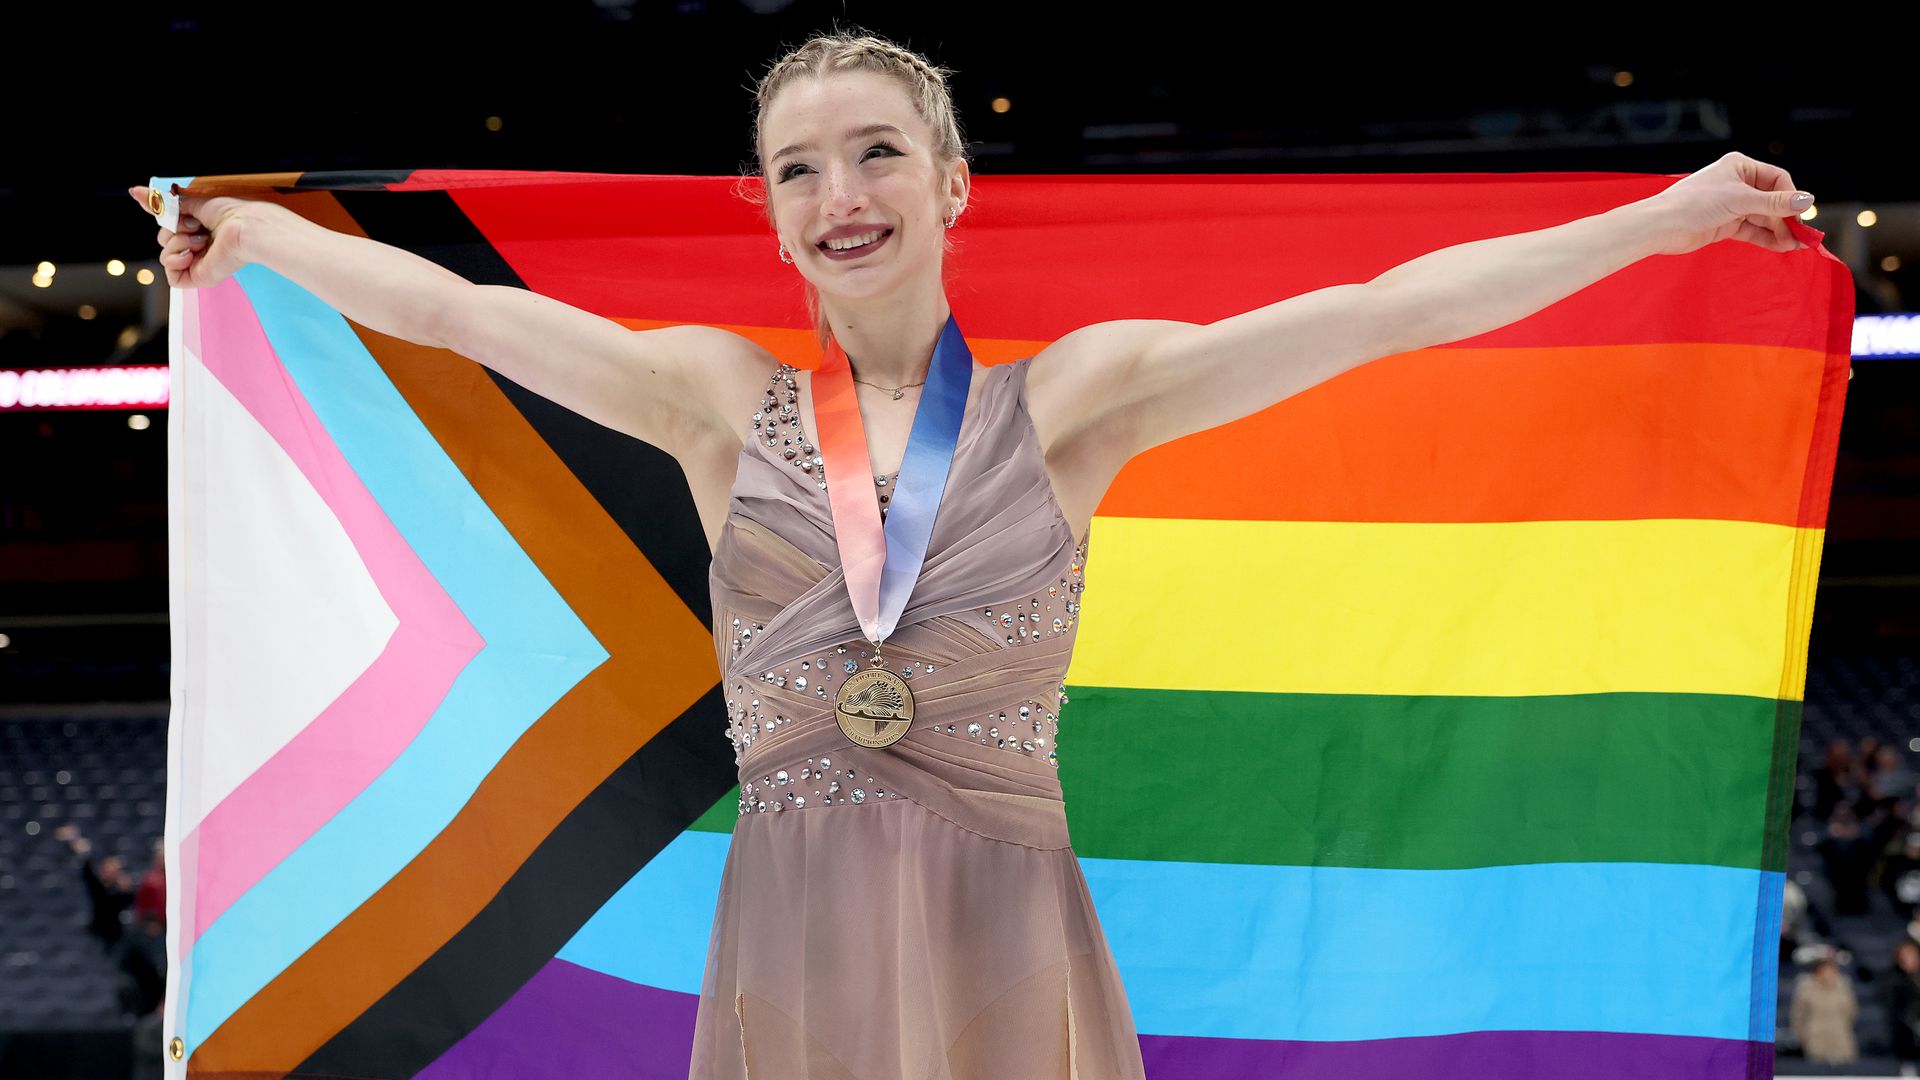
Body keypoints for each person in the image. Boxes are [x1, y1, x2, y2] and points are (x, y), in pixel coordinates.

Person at [131, 25, 1815, 1080]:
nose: (840, 194)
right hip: (789, 932)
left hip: (1006, 932)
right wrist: (258, 235)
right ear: (770, 209)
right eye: (801, 169)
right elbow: (449, 307)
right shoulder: (711, 399)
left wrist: (1666, 218)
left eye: (877, 155)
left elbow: (1384, 316)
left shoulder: (1079, 401)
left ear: (951, 188)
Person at [1790, 954, 1859, 1065]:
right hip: (1815, 1040)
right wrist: (1805, 1040)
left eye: (1832, 970)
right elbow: (1798, 1017)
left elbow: (1851, 1012)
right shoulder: (1806, 989)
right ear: (1817, 972)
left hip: (1841, 1040)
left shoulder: (1843, 988)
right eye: (1825, 970)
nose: (1829, 973)